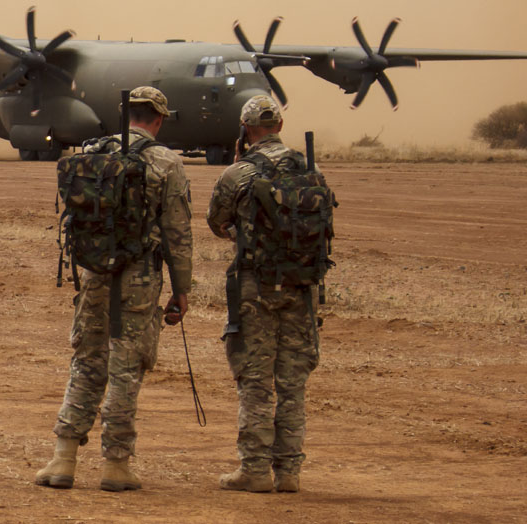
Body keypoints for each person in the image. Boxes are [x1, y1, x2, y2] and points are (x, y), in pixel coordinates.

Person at [35, 86, 193, 492]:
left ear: (125, 114)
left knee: (87, 360)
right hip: (139, 276)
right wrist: (181, 289)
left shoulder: (93, 151)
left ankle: (62, 459)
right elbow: (177, 233)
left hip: (93, 272)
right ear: (158, 119)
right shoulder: (166, 162)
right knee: (126, 367)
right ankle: (115, 464)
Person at [206, 94, 321, 494]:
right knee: (292, 382)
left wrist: (242, 232)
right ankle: (288, 472)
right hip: (302, 285)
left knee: (256, 379)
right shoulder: (309, 168)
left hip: (255, 286)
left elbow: (216, 221)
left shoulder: (238, 173)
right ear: (280, 127)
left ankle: (254, 469)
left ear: (246, 129)